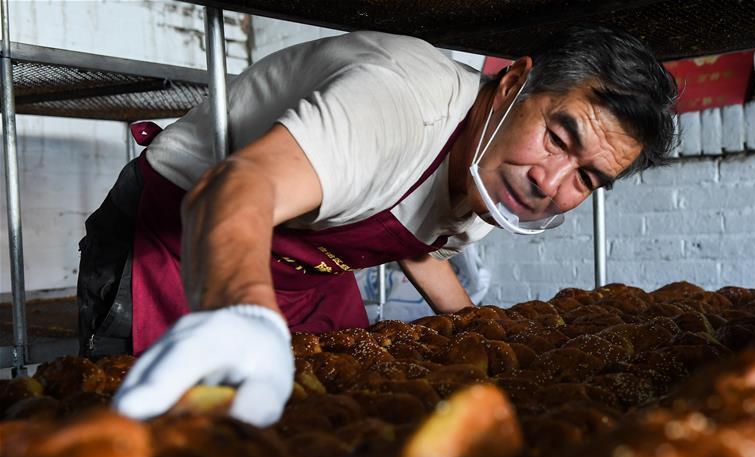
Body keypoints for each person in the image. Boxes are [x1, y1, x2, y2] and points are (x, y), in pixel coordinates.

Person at [77, 25, 677, 426]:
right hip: (183, 233)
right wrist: (242, 311)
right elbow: (237, 188)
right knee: (164, 433)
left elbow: (414, 237)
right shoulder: (396, 108)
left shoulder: (496, 169)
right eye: (558, 137)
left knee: (337, 417)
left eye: (588, 178)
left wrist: (496, 343)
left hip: (307, 267)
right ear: (514, 85)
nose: (550, 182)